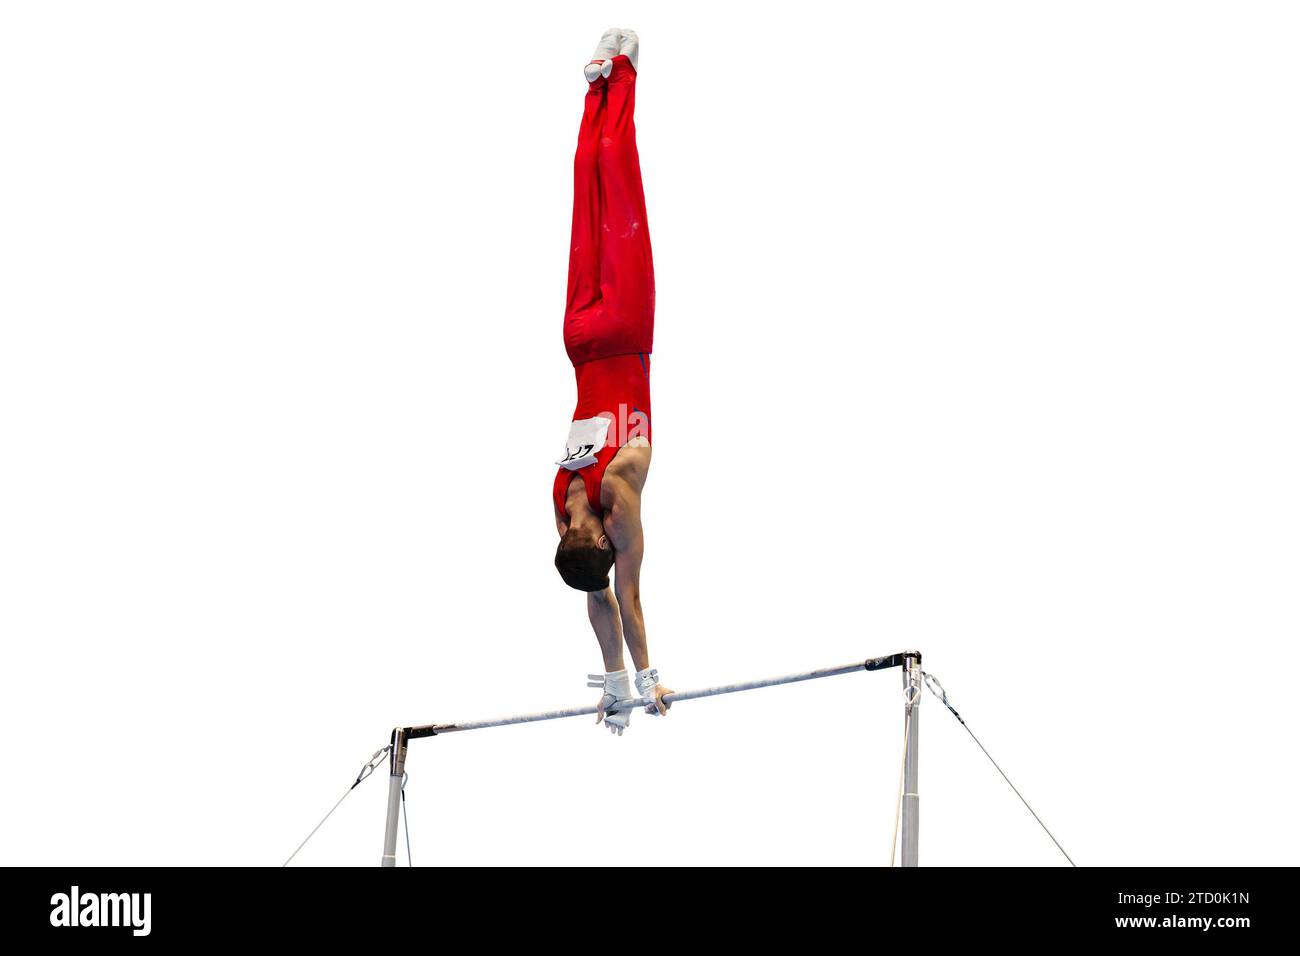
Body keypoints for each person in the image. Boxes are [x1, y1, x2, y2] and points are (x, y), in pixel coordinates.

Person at [552, 29, 672, 735]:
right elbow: (596, 592)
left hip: (623, 332)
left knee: (617, 183)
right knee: (585, 198)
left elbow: (624, 599)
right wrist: (614, 685)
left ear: (600, 530)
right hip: (577, 340)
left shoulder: (618, 496)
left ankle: (619, 72)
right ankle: (595, 87)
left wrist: (645, 676)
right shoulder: (566, 515)